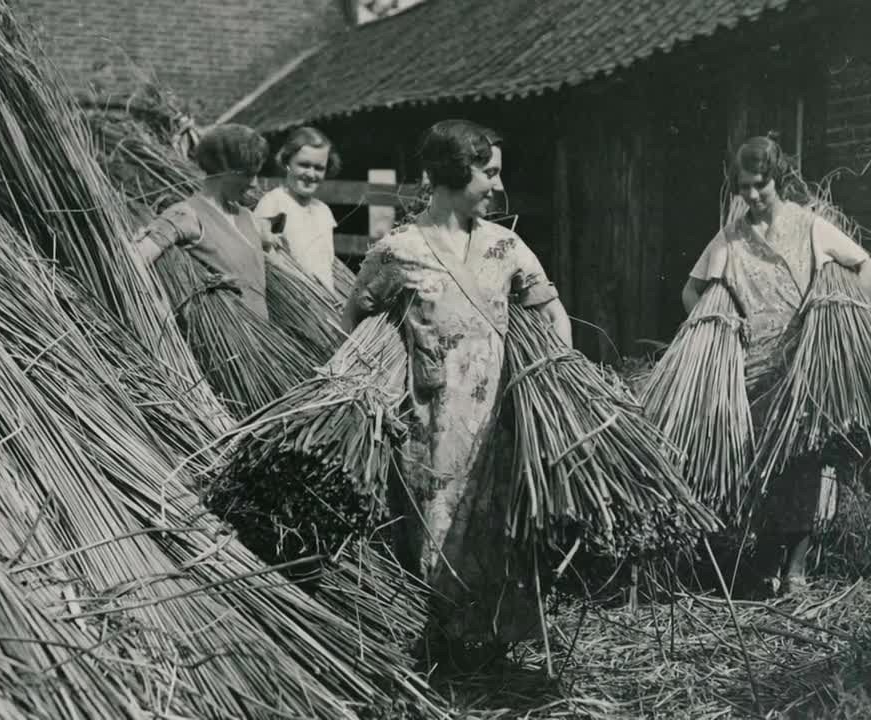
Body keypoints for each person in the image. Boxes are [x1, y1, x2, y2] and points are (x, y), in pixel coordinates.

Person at [341, 120, 572, 663]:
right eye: (487, 172)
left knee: (491, 521)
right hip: (427, 419)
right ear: (452, 172)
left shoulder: (505, 246)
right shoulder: (399, 250)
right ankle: (437, 642)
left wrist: (553, 376)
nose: (496, 185)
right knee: (429, 525)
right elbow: (352, 317)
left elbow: (554, 315)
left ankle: (489, 642)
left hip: (497, 413)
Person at [681, 134, 871, 594]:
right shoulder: (731, 236)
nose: (751, 196)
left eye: (760, 186)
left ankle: (796, 569)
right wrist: (718, 328)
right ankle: (766, 562)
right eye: (743, 187)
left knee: (806, 465)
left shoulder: (807, 225)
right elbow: (691, 290)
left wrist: (844, 325)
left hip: (802, 364)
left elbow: (865, 265)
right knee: (765, 469)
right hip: (753, 366)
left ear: (779, 181)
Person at [131, 123, 281, 320]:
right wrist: (160, 310)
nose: (254, 183)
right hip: (225, 341)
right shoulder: (186, 215)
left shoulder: (247, 217)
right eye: (248, 174)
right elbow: (132, 260)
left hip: (264, 338)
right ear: (224, 169)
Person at [254, 126, 341, 292]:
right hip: (291, 297)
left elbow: (326, 264)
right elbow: (260, 248)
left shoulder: (323, 211)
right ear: (287, 163)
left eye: (319, 168)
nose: (310, 174)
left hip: (324, 299)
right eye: (304, 165)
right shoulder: (274, 202)